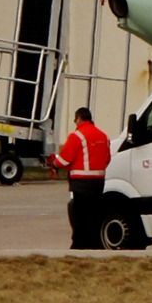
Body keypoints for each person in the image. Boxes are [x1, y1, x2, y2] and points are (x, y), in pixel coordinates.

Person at [47, 106, 112, 249]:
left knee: (79, 216)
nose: (75, 123)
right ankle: (96, 245)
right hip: (98, 183)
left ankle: (79, 246)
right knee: (94, 216)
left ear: (79, 119)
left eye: (75, 120)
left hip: (81, 184)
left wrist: (53, 162)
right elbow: (107, 159)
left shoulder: (77, 136)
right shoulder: (104, 136)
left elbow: (64, 160)